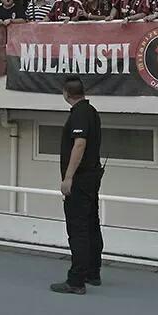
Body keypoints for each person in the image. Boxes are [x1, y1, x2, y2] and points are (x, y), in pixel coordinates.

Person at [51, 76, 103, 295]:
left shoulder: (79, 114)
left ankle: (76, 280)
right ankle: (92, 272)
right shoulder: (91, 112)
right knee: (91, 224)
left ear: (66, 93)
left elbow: (79, 144)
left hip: (81, 179)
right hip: (92, 177)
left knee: (78, 228)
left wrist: (68, 177)